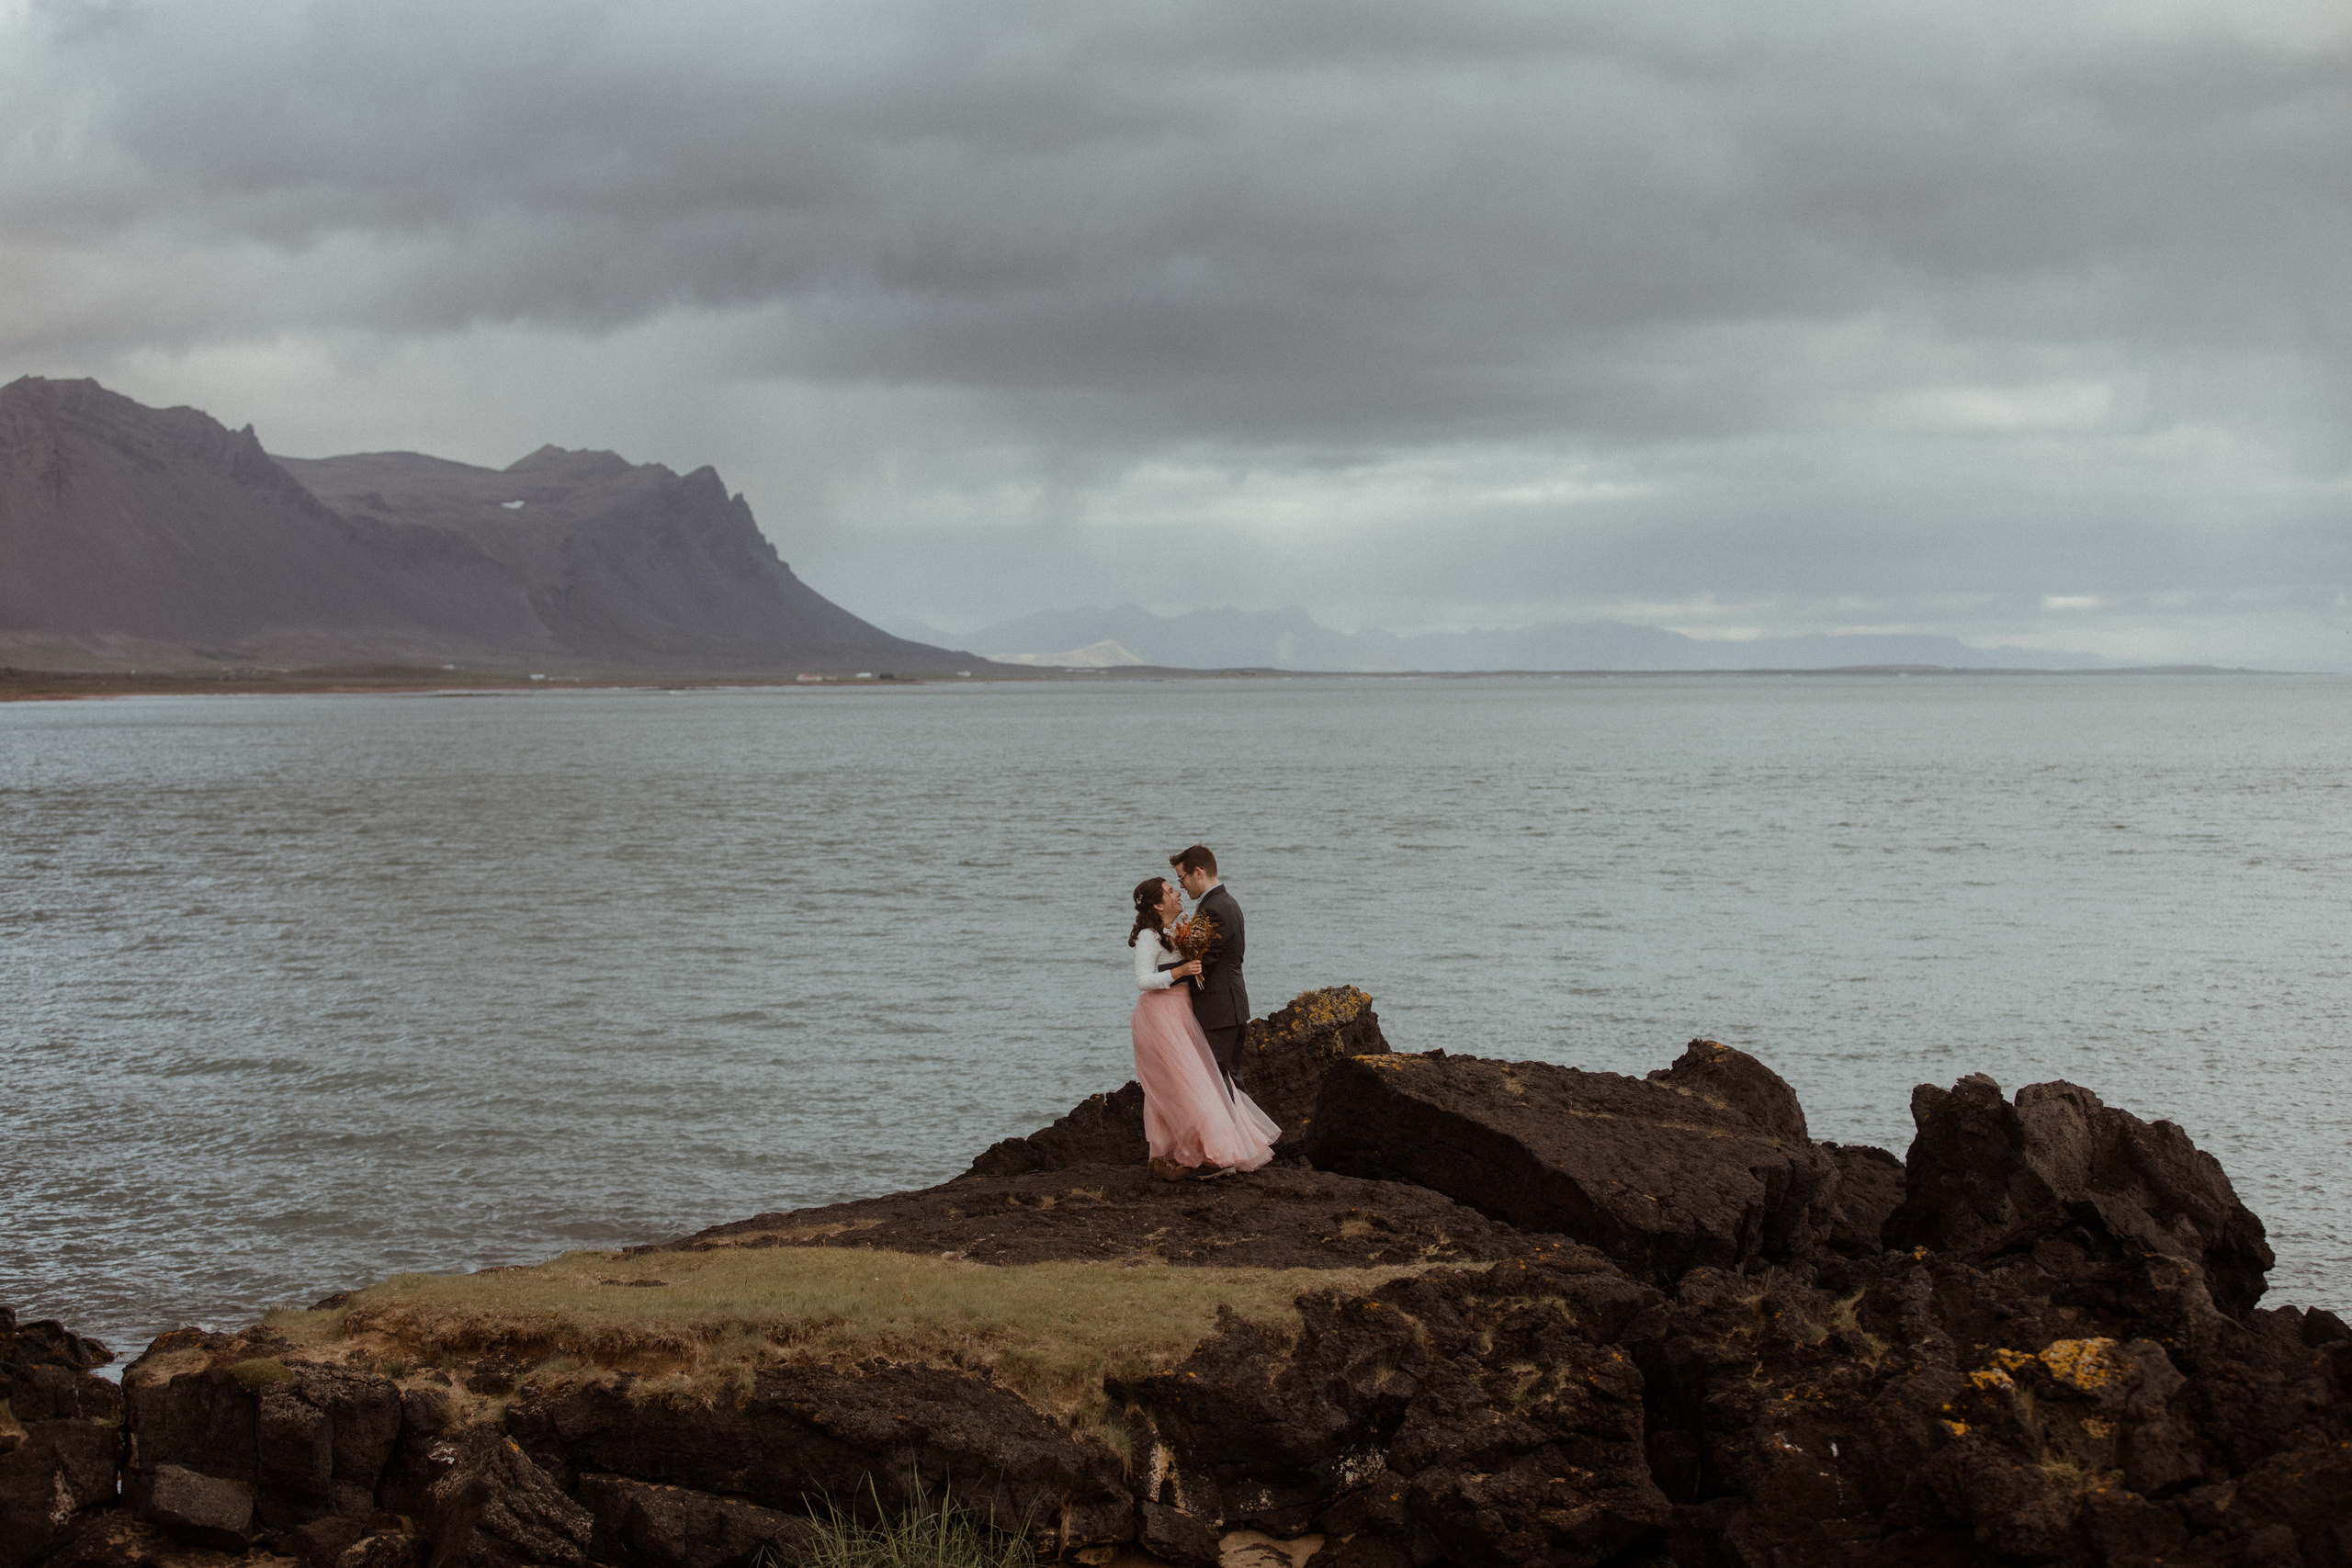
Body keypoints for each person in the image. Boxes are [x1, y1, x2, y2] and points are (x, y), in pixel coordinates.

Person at [1127, 875, 1278, 1179]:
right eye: (1171, 892)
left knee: (1193, 1081)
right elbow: (1142, 980)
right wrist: (1181, 970)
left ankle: (1192, 1152)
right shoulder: (1148, 937)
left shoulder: (1174, 931)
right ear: (1158, 905)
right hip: (1160, 1015)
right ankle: (1209, 1152)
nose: (1179, 893)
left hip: (1184, 1011)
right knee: (1188, 1082)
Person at [1170, 844, 1249, 1089]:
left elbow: (1202, 963)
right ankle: (1242, 1128)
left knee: (1218, 1086)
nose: (1181, 886)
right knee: (1229, 1084)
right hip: (1231, 1007)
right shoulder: (1227, 902)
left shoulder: (1214, 909)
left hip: (1219, 1012)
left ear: (1198, 872)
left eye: (1182, 878)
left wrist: (1163, 977)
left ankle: (1236, 1129)